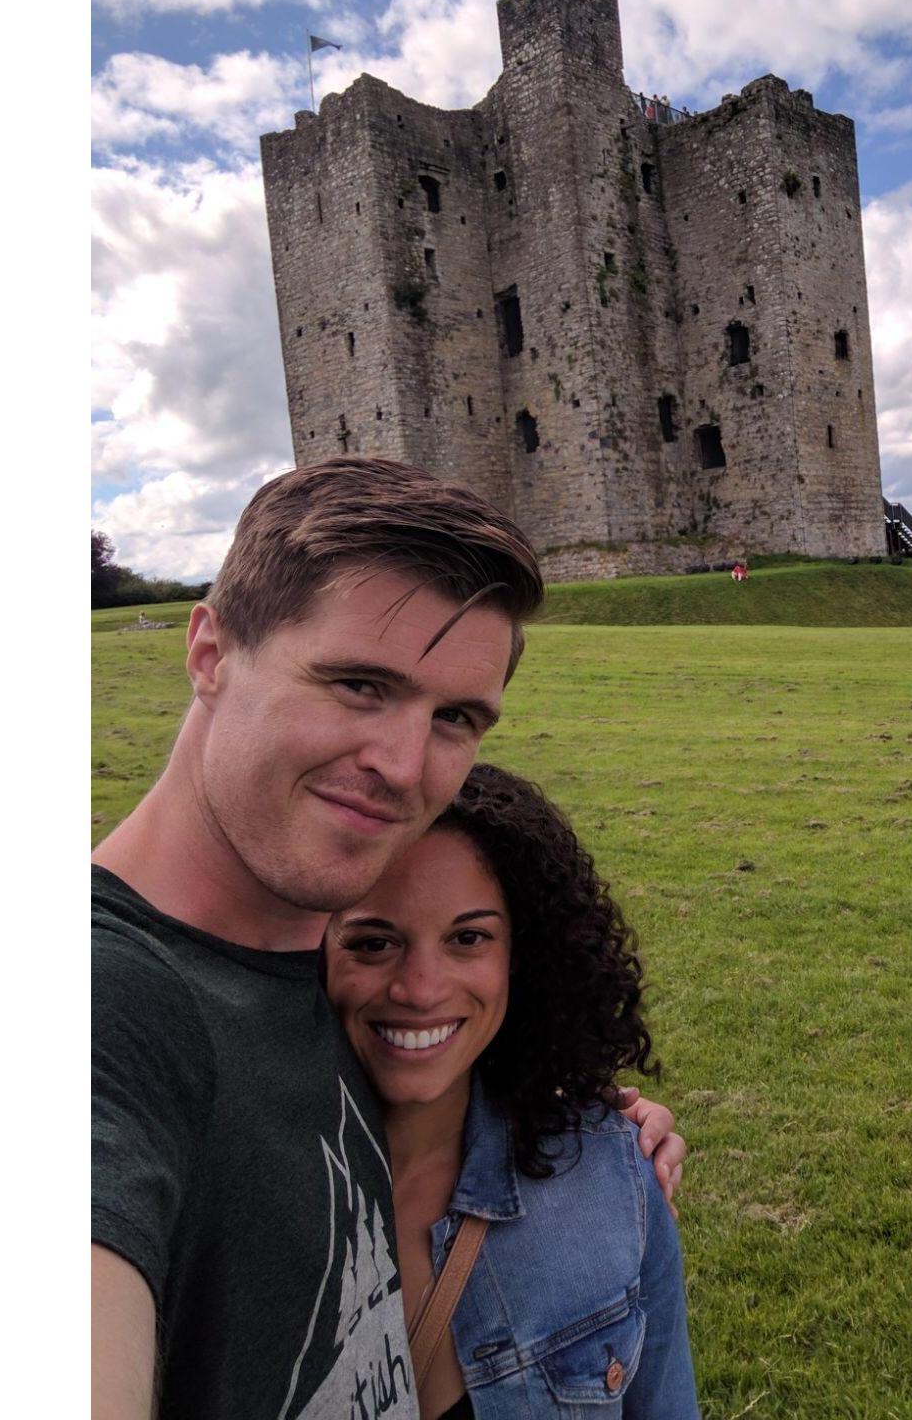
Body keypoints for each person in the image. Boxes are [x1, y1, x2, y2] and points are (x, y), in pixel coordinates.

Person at [92, 457, 685, 1420]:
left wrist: (586, 1128)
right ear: (210, 651)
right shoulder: (102, 998)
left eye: (456, 717)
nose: (405, 769)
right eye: (360, 684)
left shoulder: (313, 964)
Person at [325, 765, 698, 1418]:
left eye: (468, 938)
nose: (422, 988)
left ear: (520, 956)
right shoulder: (221, 1198)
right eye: (373, 942)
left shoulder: (612, 1180)